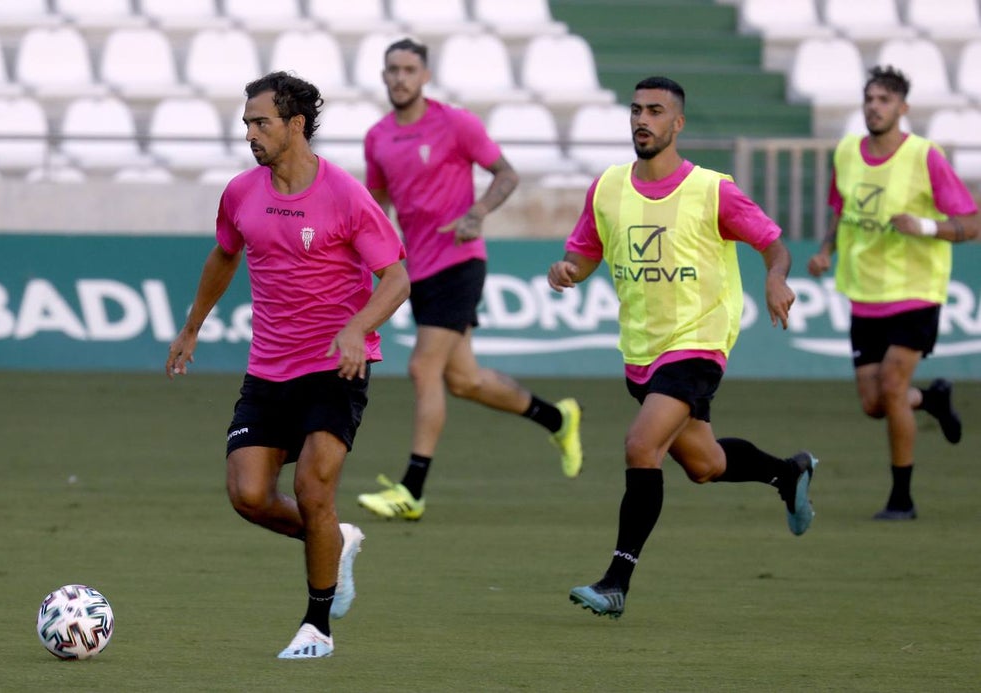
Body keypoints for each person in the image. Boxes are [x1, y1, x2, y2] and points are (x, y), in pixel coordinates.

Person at [547, 76, 818, 620]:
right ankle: (787, 473)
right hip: (642, 349)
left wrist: (776, 278)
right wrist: (569, 270)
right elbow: (585, 252)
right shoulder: (607, 188)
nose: (642, 119)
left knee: (640, 447)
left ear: (678, 124)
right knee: (704, 463)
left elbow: (773, 243)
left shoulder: (712, 189)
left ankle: (616, 581)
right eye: (635, 110)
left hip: (699, 342)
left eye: (655, 111)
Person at [166, 72, 409, 659]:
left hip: (336, 367)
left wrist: (357, 327)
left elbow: (397, 277)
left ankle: (317, 627)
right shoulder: (241, 192)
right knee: (248, 495)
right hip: (269, 369)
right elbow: (225, 254)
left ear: (295, 125)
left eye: (261, 122)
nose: (249, 133)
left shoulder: (346, 195)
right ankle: (336, 540)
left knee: (312, 488)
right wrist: (192, 325)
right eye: (247, 122)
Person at [356, 37, 584, 521]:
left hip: (460, 262)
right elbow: (378, 207)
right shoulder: (377, 137)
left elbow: (506, 174)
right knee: (464, 380)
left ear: (425, 76)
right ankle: (558, 418)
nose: (400, 77)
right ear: (383, 76)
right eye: (392, 69)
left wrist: (477, 213)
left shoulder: (455, 122)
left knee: (423, 368)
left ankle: (412, 489)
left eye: (409, 69)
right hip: (417, 269)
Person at [807, 66, 977, 521]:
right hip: (864, 291)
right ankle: (934, 400)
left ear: (902, 108)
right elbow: (841, 209)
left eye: (884, 100)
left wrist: (923, 225)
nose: (874, 107)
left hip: (917, 291)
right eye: (869, 99)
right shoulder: (847, 152)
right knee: (874, 404)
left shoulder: (926, 156)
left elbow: (972, 223)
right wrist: (826, 251)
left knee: (893, 385)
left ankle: (902, 498)